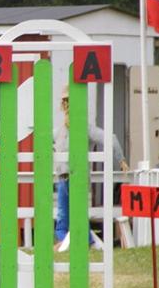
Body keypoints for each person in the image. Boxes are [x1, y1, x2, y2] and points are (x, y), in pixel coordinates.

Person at [54, 87, 128, 252]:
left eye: (69, 101)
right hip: (62, 179)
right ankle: (70, 245)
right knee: (62, 221)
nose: (67, 105)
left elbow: (110, 138)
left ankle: (83, 244)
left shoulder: (85, 128)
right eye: (65, 102)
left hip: (77, 178)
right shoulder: (59, 131)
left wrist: (120, 158)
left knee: (77, 216)